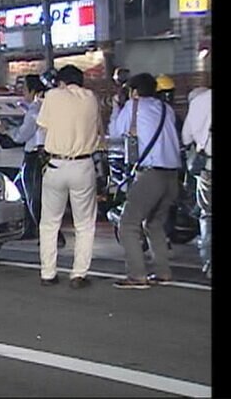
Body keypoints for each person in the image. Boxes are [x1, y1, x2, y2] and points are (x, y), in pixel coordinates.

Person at [109, 73, 182, 289]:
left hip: (151, 174)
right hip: (172, 175)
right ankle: (163, 272)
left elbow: (115, 133)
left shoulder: (133, 106)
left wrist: (116, 108)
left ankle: (137, 275)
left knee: (128, 224)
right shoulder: (165, 109)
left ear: (134, 91)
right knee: (154, 224)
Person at [36, 65, 103, 289]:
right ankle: (79, 274)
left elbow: (42, 126)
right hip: (83, 164)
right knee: (84, 223)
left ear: (61, 82)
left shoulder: (53, 96)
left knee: (50, 222)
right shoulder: (91, 98)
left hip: (56, 164)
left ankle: (48, 273)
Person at [0, 75, 66, 248]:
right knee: (46, 198)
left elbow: (21, 136)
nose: (22, 93)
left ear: (34, 91)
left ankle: (50, 236)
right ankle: (51, 234)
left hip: (34, 157)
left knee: (35, 198)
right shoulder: (51, 108)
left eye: (24, 89)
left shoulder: (35, 111)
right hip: (52, 156)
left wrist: (5, 130)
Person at [181, 87, 212, 279]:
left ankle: (209, 264)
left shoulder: (199, 102)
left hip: (208, 168)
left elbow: (186, 138)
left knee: (208, 216)